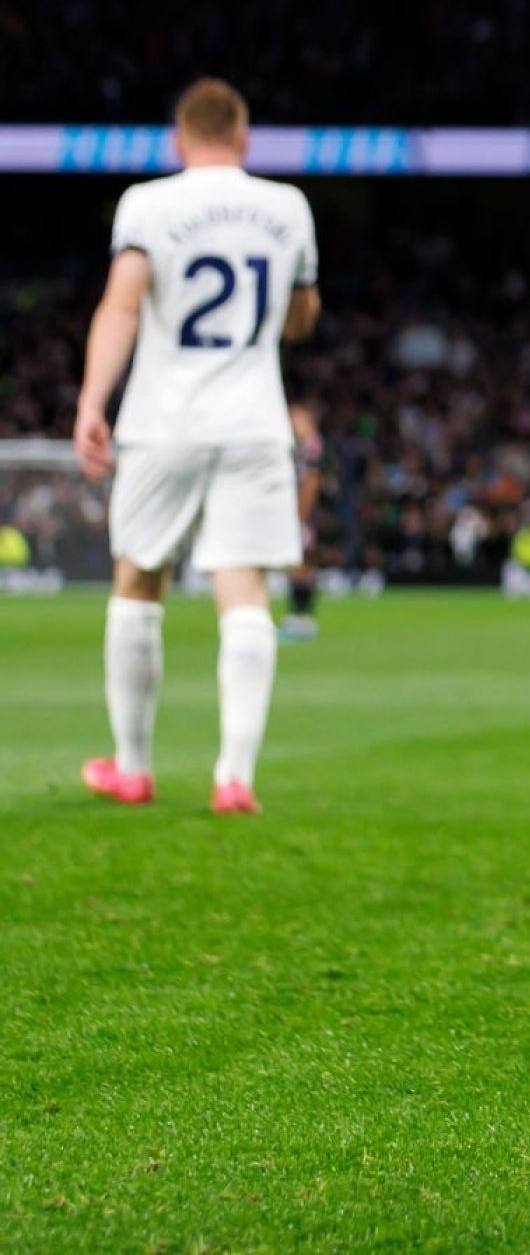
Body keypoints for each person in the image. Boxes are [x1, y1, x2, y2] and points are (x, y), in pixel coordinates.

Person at [72, 79, 321, 816]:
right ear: (244, 140)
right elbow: (300, 319)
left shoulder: (150, 203)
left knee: (139, 579)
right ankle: (233, 776)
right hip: (254, 421)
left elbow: (122, 302)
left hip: (165, 419)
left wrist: (92, 401)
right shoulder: (289, 208)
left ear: (179, 142)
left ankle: (134, 766)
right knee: (243, 592)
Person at [281, 402, 323, 642]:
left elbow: (312, 480)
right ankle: (299, 617)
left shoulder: (311, 446)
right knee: (296, 562)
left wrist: (300, 513)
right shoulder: (297, 447)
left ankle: (302, 619)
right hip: (291, 509)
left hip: (300, 511)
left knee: (301, 562)